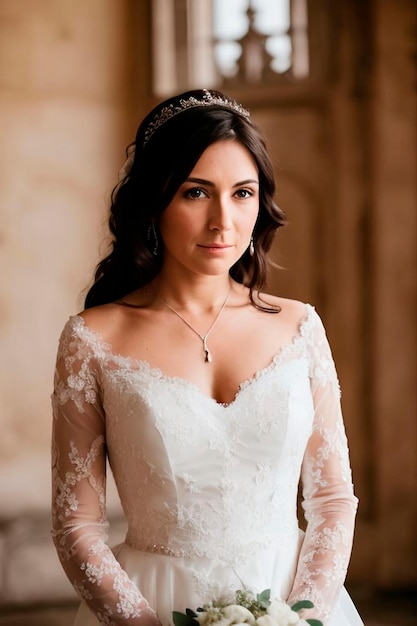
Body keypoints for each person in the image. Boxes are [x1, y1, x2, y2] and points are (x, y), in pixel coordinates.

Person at [51, 89, 364, 626]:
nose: (224, 221)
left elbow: (333, 498)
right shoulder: (92, 340)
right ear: (155, 200)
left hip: (293, 602)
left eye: (243, 193)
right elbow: (76, 524)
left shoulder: (299, 327)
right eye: (196, 193)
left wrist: (302, 617)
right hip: (150, 603)